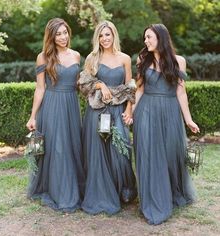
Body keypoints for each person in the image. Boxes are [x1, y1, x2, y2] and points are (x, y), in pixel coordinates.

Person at [132, 23, 200, 225]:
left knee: (171, 154)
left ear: (161, 38)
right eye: (145, 38)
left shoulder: (179, 61)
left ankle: (171, 192)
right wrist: (131, 113)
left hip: (170, 113)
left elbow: (180, 91)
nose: (146, 41)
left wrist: (188, 119)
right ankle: (152, 199)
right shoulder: (143, 59)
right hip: (146, 111)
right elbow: (139, 90)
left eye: (149, 37)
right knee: (149, 155)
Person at [26, 18, 85, 212]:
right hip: (52, 105)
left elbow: (79, 85)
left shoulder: (76, 56)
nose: (62, 37)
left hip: (71, 105)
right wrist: (33, 116)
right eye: (58, 34)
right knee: (58, 148)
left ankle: (74, 187)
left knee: (71, 146)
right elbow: (40, 88)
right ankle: (61, 193)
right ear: (51, 36)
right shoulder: (43, 56)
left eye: (65, 32)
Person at [79, 20, 137, 215]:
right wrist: (100, 85)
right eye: (101, 35)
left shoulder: (125, 59)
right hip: (97, 111)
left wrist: (129, 110)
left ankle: (124, 190)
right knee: (98, 153)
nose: (105, 39)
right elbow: (84, 84)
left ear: (114, 35)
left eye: (108, 34)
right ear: (97, 38)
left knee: (121, 151)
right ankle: (103, 193)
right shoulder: (92, 58)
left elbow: (131, 88)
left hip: (118, 110)